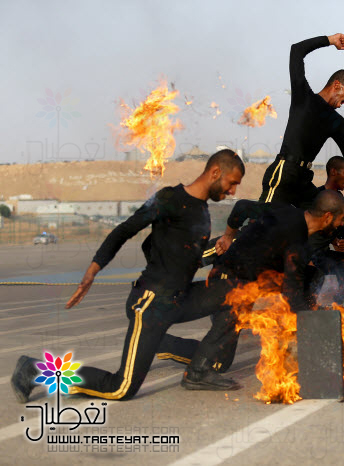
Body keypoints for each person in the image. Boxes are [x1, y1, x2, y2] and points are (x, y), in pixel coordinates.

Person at [11, 150, 247, 402]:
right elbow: (124, 230)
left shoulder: (201, 209)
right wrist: (93, 269)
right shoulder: (169, 198)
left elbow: (186, 258)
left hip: (180, 298)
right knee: (120, 388)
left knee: (238, 297)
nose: (233, 191)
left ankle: (195, 370)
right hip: (152, 303)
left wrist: (218, 247)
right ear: (215, 172)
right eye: (232, 183)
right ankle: (34, 370)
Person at [190, 190, 344, 366]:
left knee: (312, 274)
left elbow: (242, 207)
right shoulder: (296, 243)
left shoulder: (287, 212)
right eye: (340, 219)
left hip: (245, 284)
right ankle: (164, 343)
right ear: (328, 217)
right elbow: (293, 298)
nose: (341, 224)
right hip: (228, 281)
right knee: (218, 362)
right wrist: (318, 329)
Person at [258, 33, 344, 209]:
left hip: (303, 179)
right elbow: (296, 51)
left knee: (325, 214)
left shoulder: (338, 123)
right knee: (262, 224)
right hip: (284, 171)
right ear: (337, 85)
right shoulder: (303, 97)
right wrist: (329, 40)